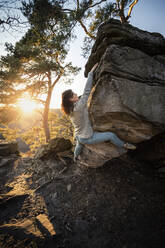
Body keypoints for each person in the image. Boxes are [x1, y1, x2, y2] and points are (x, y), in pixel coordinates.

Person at [61, 63, 136, 162]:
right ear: (71, 99)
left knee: (79, 145)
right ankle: (124, 146)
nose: (75, 94)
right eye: (73, 94)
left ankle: (75, 157)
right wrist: (91, 73)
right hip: (87, 137)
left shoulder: (70, 109)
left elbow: (81, 98)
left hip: (79, 135)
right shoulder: (78, 107)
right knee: (111, 135)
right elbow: (87, 91)